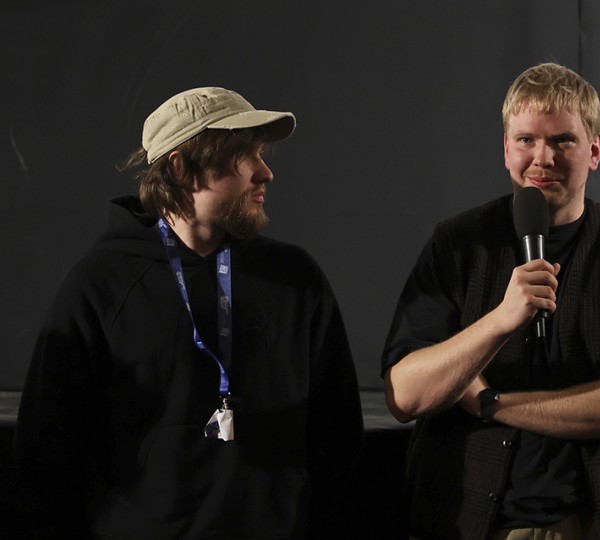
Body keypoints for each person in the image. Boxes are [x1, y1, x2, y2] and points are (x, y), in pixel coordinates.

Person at [15, 87, 363, 538]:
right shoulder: (101, 284)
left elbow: (337, 441)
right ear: (180, 168)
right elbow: (46, 455)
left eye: (261, 154)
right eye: (245, 155)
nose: (265, 172)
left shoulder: (295, 278)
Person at [381, 62, 600, 539]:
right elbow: (405, 395)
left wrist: (491, 403)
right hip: (464, 523)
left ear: (595, 150)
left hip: (589, 523)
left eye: (563, 140)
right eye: (526, 140)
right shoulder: (458, 244)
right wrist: (502, 320)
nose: (543, 158)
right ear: (506, 149)